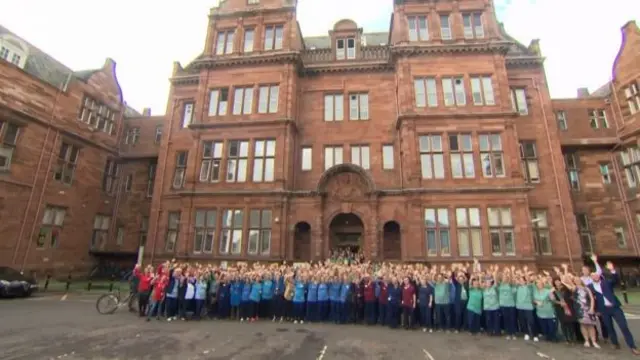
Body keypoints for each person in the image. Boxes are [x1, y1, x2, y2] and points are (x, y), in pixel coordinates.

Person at [588, 260, 640, 355]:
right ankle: (615, 343)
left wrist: (612, 270)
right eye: (592, 275)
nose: (594, 276)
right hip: (604, 310)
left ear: (599, 276)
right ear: (591, 277)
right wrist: (596, 310)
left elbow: (615, 279)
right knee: (609, 327)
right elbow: (590, 299)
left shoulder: (606, 282)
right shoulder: (590, 287)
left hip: (615, 308)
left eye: (596, 275)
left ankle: (632, 346)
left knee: (624, 326)